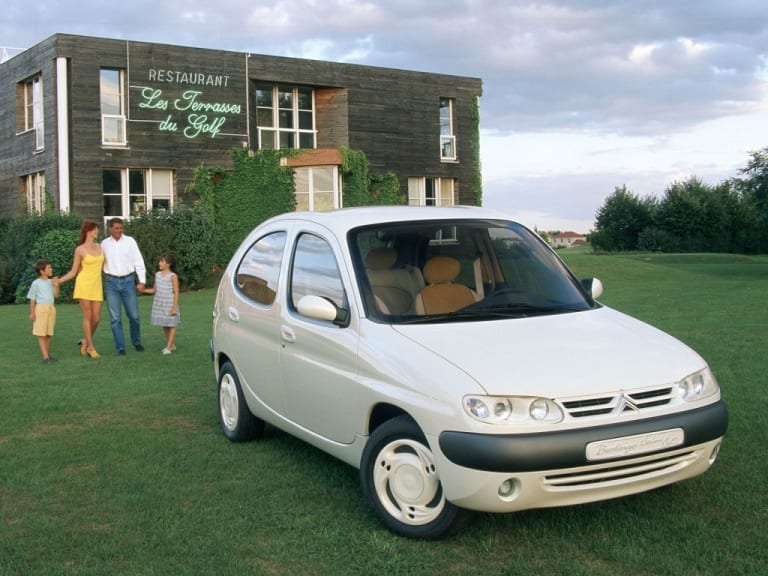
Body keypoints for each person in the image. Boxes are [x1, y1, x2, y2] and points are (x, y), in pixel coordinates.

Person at [56, 220, 105, 358]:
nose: (97, 232)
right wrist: (59, 280)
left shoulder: (99, 246)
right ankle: (90, 347)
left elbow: (103, 266)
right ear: (88, 231)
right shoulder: (80, 249)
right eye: (95, 229)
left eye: (97, 229)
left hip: (96, 285)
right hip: (83, 285)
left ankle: (85, 340)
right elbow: (73, 272)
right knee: (88, 316)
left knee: (96, 319)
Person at [101, 217, 147, 355]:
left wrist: (142, 281)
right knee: (115, 318)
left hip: (128, 281)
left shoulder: (130, 242)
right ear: (110, 229)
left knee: (134, 316)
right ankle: (120, 347)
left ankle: (136, 342)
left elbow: (138, 261)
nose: (119, 231)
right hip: (111, 282)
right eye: (116, 228)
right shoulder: (104, 244)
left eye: (121, 228)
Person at [142, 253, 180, 355]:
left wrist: (174, 307)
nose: (159, 263)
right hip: (160, 303)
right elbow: (154, 290)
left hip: (169, 303)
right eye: (160, 261)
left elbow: (176, 292)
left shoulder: (173, 276)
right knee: (165, 324)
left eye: (162, 261)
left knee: (172, 324)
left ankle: (169, 347)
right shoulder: (157, 275)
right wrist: (143, 290)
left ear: (168, 264)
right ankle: (171, 344)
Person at [27, 259, 60, 363]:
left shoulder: (51, 282)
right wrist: (32, 313)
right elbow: (32, 299)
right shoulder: (36, 283)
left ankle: (47, 355)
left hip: (51, 308)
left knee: (48, 333)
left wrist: (56, 286)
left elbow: (56, 295)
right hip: (41, 309)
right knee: (41, 333)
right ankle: (45, 357)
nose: (51, 269)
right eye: (49, 268)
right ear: (42, 271)